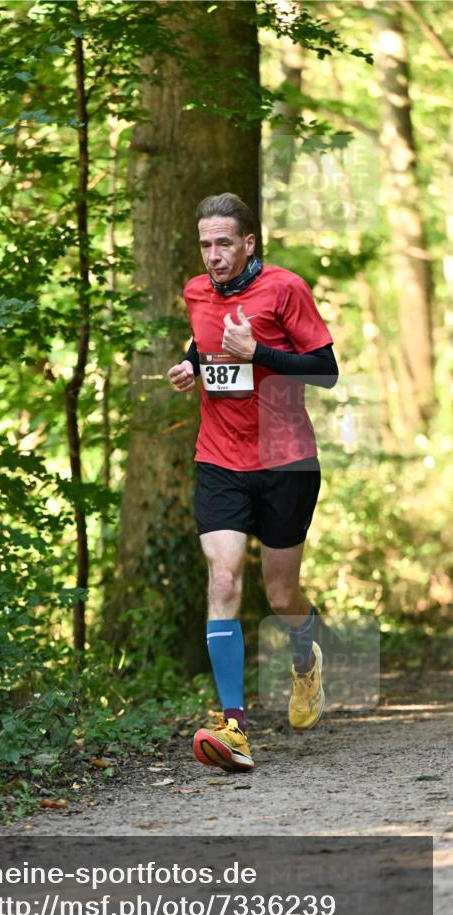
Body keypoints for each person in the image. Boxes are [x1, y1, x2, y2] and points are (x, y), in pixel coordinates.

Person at [168, 192, 339, 773]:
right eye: (205, 245)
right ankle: (233, 727)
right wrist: (192, 364)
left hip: (286, 460)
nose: (213, 256)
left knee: (282, 596)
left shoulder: (286, 289)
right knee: (223, 577)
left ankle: (304, 658)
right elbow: (206, 341)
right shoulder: (195, 291)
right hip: (219, 459)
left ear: (249, 244)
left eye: (223, 243)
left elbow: (327, 370)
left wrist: (260, 352)